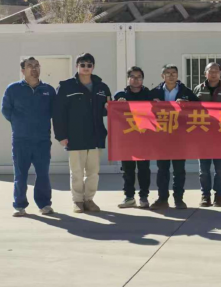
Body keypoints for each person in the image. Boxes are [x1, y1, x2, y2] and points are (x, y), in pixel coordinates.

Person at [53, 53, 111, 213]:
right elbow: (58, 113)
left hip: (95, 135)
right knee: (77, 171)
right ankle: (78, 201)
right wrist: (61, 136)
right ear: (77, 66)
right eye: (82, 65)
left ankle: (89, 199)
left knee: (93, 172)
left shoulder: (102, 87)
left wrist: (110, 108)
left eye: (89, 65)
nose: (86, 68)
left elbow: (105, 111)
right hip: (74, 135)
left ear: (93, 67)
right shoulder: (66, 86)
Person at [1, 57, 56, 217]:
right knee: (20, 175)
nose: (34, 68)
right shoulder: (13, 89)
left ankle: (44, 204)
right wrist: (19, 123)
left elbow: (54, 111)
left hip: (42, 141)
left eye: (36, 65)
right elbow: (6, 110)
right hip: (21, 140)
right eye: (30, 66)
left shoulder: (48, 90)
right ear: (23, 70)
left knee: (43, 174)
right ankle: (19, 205)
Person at [149, 64, 198, 210]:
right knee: (162, 169)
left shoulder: (186, 92)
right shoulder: (154, 92)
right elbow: (142, 109)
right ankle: (162, 198)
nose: (171, 76)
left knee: (179, 170)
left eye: (174, 73)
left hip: (179, 137)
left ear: (177, 75)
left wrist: (187, 105)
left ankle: (179, 199)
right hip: (161, 136)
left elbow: (199, 108)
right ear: (162, 76)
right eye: (168, 73)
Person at [193, 62, 221, 207]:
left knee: (219, 170)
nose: (213, 73)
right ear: (205, 73)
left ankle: (219, 196)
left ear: (220, 73)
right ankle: (205, 196)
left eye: (216, 71)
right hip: (202, 136)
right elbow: (191, 109)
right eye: (210, 71)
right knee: (203, 170)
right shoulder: (198, 89)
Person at [115, 66, 151, 209]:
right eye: (133, 77)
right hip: (127, 139)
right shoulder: (120, 95)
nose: (136, 80)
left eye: (139, 77)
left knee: (144, 170)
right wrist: (118, 103)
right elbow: (111, 110)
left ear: (143, 79)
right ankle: (129, 197)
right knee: (127, 170)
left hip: (144, 139)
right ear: (128, 79)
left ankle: (144, 197)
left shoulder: (149, 95)